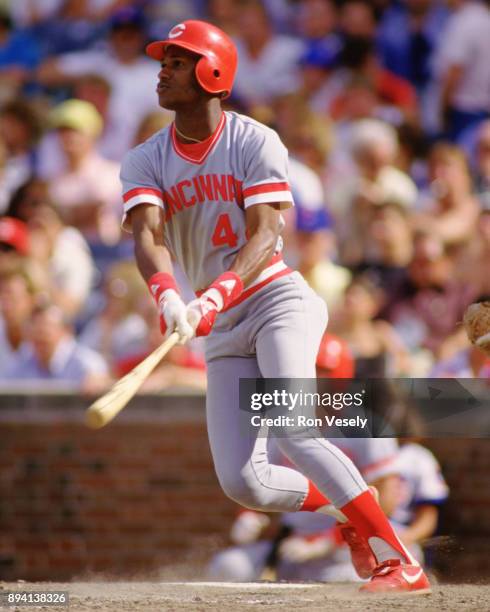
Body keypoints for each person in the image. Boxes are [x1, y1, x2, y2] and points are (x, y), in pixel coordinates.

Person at [120, 19, 430, 594]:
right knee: (246, 484)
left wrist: (216, 291)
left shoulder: (255, 140)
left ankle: (400, 561)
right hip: (223, 325)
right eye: (164, 61)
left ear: (213, 73)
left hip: (276, 300)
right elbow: (147, 238)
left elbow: (265, 234)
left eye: (178, 61)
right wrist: (169, 296)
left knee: (293, 430)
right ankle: (352, 520)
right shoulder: (145, 158)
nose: (162, 70)